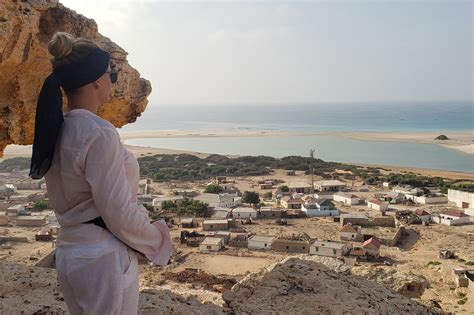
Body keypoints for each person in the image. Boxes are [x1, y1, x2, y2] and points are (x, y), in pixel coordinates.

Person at [29, 32, 172, 314]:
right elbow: (116, 210)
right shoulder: (98, 132)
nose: (112, 81)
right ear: (95, 79)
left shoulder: (58, 128)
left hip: (71, 253)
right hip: (103, 256)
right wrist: (157, 240)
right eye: (111, 74)